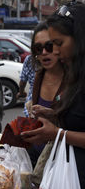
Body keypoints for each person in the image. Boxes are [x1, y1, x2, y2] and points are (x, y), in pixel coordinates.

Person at [21, 0, 85, 189]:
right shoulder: (76, 77)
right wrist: (52, 113)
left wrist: (56, 134)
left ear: (79, 39)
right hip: (70, 185)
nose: (54, 52)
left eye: (58, 43)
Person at [24, 22, 65, 168]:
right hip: (37, 160)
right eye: (38, 48)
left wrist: (53, 116)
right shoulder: (38, 77)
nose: (44, 52)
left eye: (49, 46)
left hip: (63, 164)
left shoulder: (74, 81)